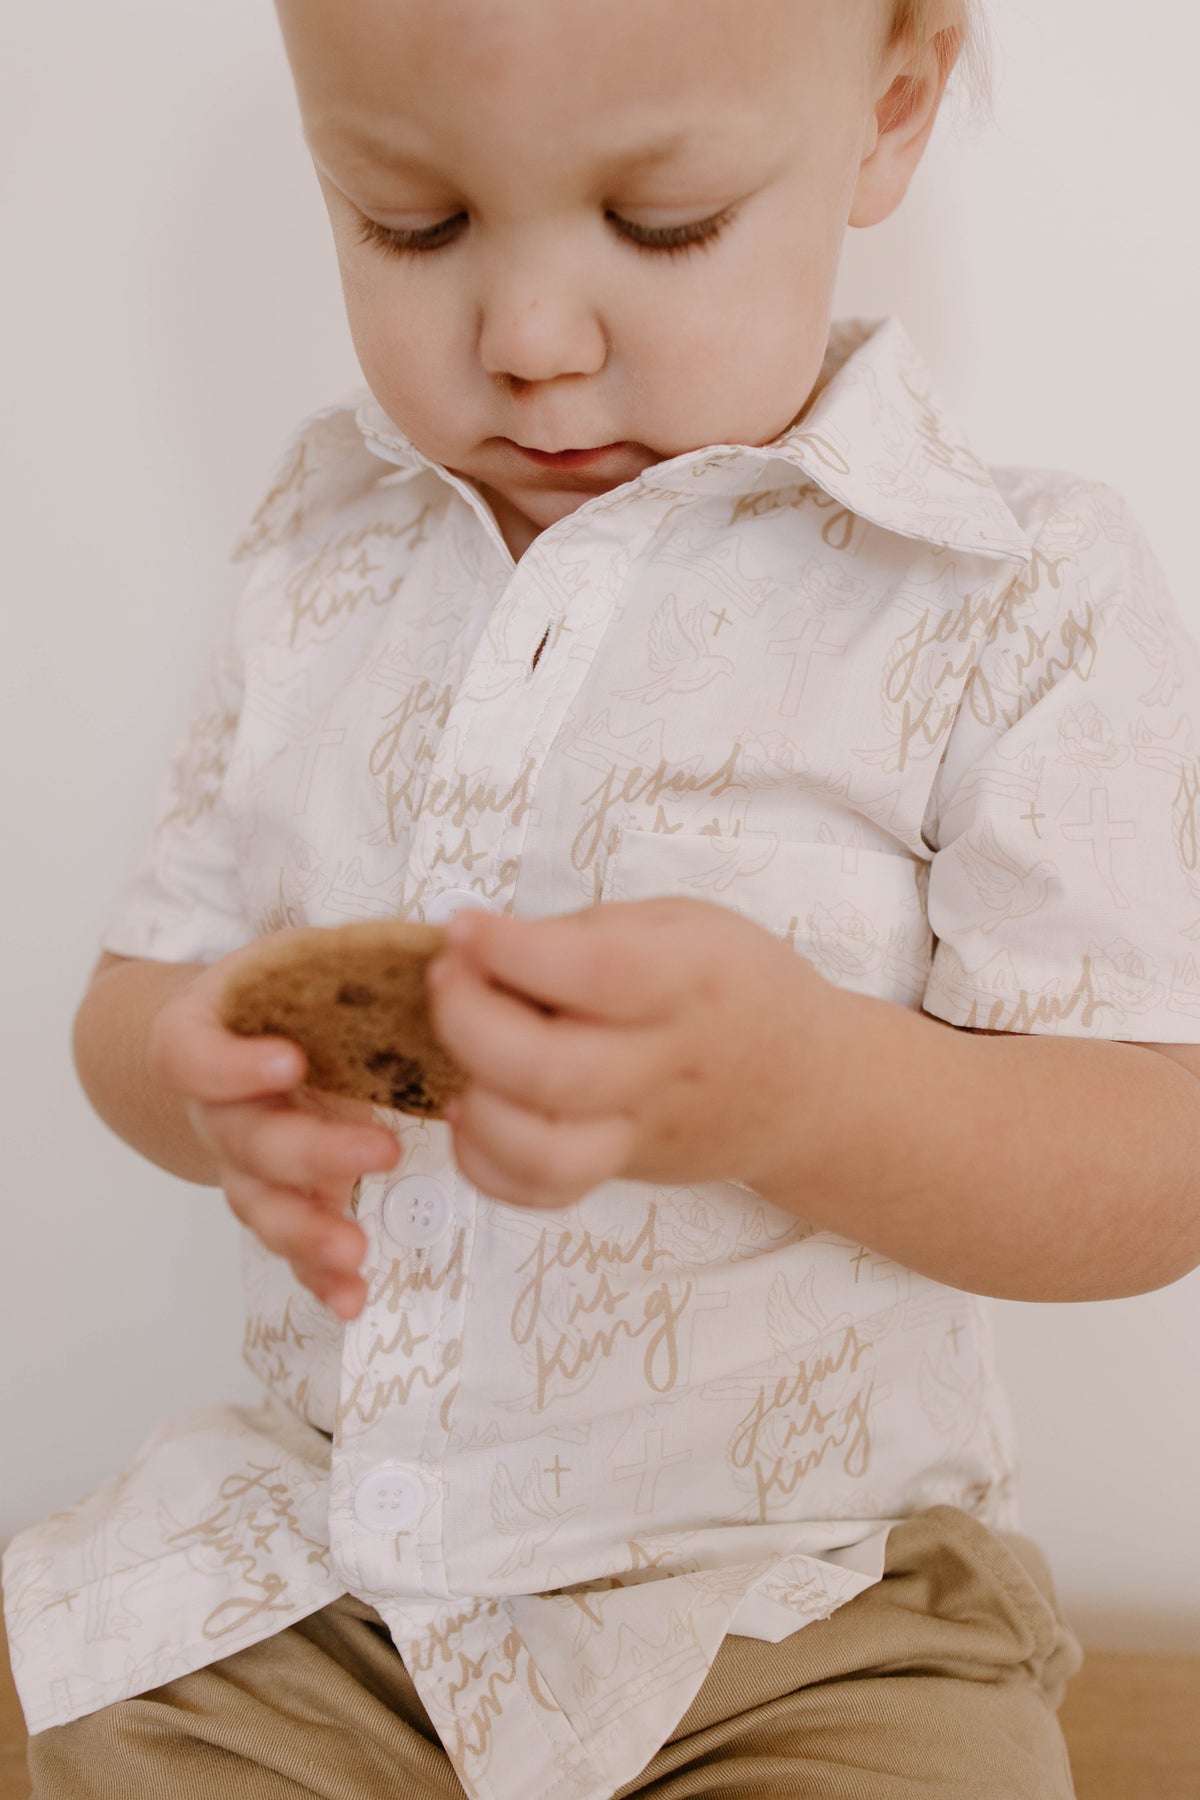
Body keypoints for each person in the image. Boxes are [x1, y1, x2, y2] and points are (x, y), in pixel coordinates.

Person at [6, 0, 1200, 1794]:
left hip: (814, 1617)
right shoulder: (322, 558)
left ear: (889, 115)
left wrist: (810, 1088)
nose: (532, 342)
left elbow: (1151, 1164)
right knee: (111, 1715)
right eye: (413, 225)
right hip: (339, 1582)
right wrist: (195, 1077)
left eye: (663, 226)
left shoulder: (1006, 594)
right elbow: (133, 1001)